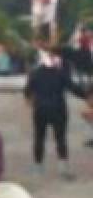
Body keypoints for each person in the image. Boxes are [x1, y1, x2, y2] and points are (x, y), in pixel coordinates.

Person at [24, 45, 87, 180]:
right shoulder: (60, 73)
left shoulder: (35, 72)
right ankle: (63, 169)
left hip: (40, 110)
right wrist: (87, 96)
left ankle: (38, 168)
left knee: (39, 138)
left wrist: (31, 101)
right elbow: (73, 88)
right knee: (60, 138)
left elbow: (27, 91)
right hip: (58, 109)